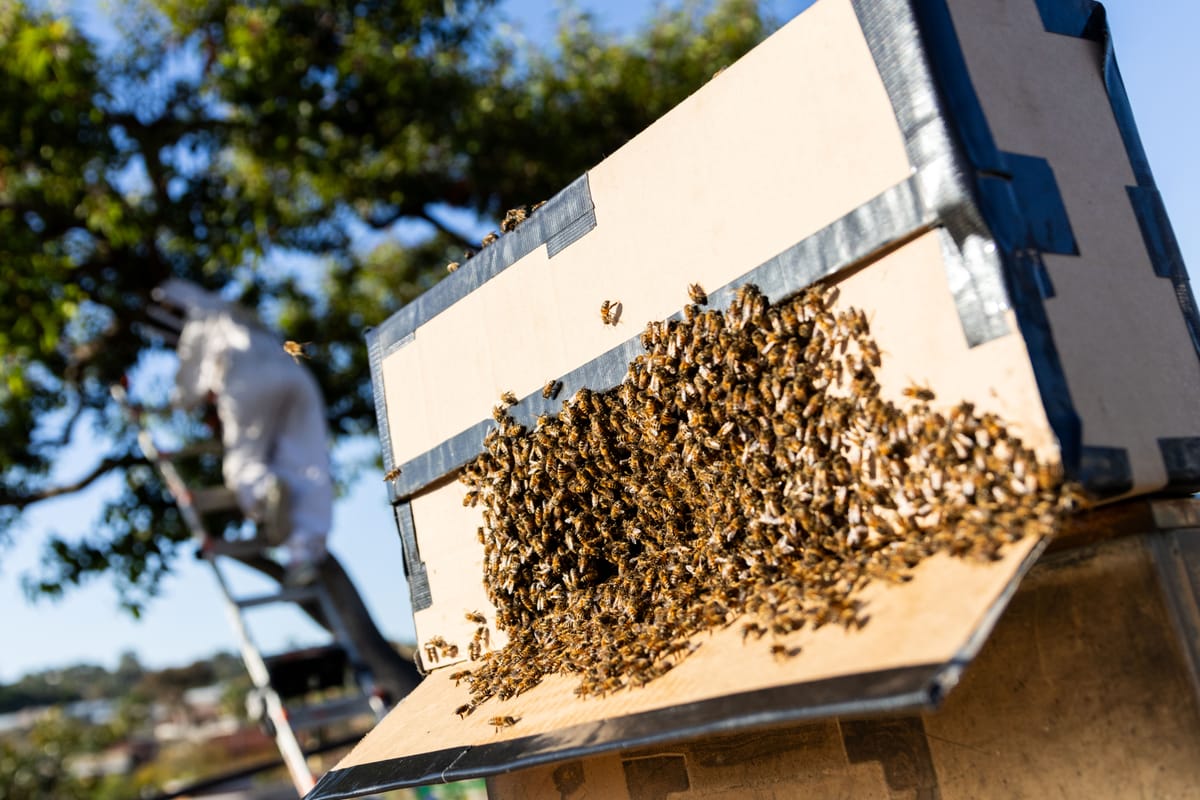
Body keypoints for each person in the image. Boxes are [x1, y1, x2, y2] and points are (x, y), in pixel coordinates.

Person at [151, 279, 332, 586]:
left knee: (244, 464)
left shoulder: (201, 320)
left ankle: (265, 489)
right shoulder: (236, 313)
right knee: (307, 461)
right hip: (296, 375)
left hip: (248, 381)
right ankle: (305, 553)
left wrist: (174, 404)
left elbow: (188, 386)